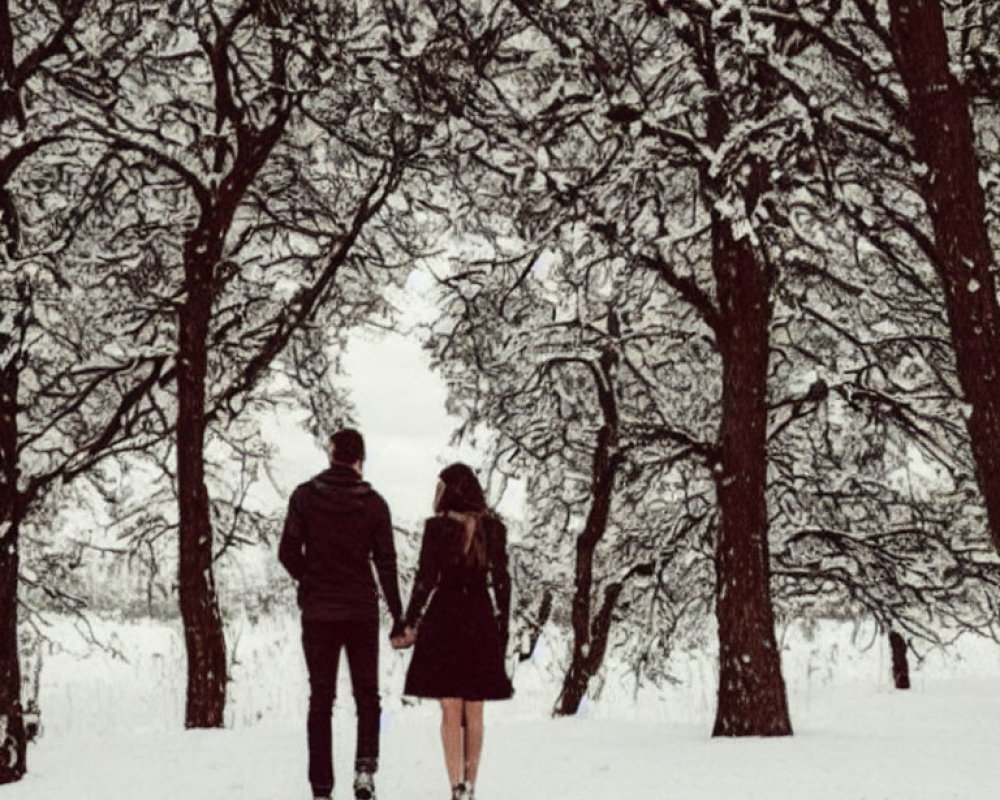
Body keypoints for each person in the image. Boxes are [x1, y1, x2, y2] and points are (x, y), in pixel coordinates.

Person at [279, 428, 405, 800]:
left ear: (331, 454)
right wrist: (398, 616)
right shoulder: (374, 505)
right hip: (361, 610)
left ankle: (321, 787)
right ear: (360, 460)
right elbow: (386, 564)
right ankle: (364, 772)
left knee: (321, 698)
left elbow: (287, 552)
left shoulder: (304, 497)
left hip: (318, 611)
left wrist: (311, 577)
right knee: (367, 696)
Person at [395, 463, 513, 800]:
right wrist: (502, 625)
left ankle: (456, 786)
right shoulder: (493, 529)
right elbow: (503, 580)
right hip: (479, 617)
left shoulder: (436, 528)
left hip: (445, 618)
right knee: (475, 710)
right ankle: (471, 785)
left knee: (451, 708)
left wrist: (409, 619)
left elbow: (425, 579)